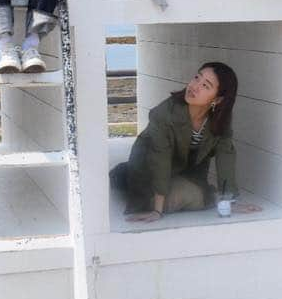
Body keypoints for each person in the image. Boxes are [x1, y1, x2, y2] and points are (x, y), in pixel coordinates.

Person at [110, 62, 263, 222]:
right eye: (197, 77)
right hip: (148, 167)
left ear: (217, 100)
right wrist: (157, 211)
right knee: (162, 201)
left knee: (197, 198)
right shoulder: (163, 114)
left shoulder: (219, 119)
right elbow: (159, 159)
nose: (195, 86)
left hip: (184, 171)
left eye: (205, 85)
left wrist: (230, 201)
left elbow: (226, 155)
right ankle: (124, 175)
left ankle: (129, 177)